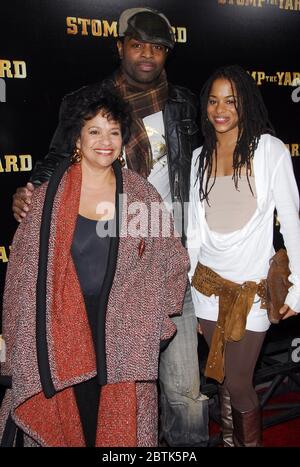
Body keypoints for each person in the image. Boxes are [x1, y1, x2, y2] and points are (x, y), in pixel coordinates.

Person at [11, 7, 209, 447]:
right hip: (106, 263)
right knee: (104, 388)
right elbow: (58, 161)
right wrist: (28, 193)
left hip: (168, 256)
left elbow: (207, 169)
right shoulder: (91, 103)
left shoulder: (185, 104)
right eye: (137, 44)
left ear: (166, 54)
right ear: (120, 46)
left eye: (157, 47)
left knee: (183, 392)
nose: (147, 55)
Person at [187, 64, 300, 447]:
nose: (220, 109)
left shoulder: (270, 150)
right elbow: (194, 232)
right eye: (213, 100)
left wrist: (298, 289)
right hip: (206, 289)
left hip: (251, 295)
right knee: (220, 378)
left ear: (245, 104)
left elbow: (292, 222)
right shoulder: (199, 156)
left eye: (230, 101)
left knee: (239, 381)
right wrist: (188, 281)